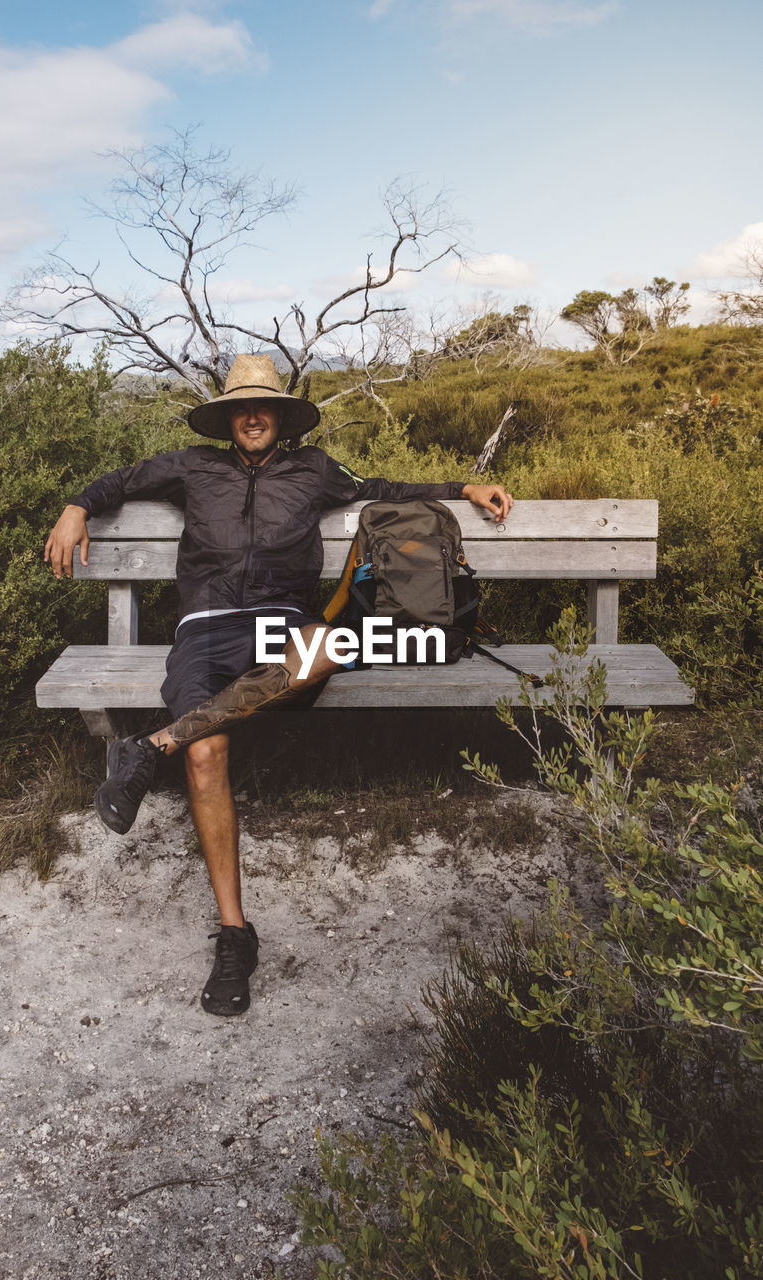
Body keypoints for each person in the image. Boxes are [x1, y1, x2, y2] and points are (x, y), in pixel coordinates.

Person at [45, 354, 513, 1017]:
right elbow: (120, 479)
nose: (252, 415)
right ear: (228, 418)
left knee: (330, 643)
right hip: (205, 630)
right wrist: (74, 508)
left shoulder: (315, 469)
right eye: (241, 407)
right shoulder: (190, 466)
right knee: (207, 753)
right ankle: (236, 935)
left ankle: (151, 747)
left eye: (263, 406)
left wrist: (462, 487)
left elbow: (383, 485)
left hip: (280, 628)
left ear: (281, 418)